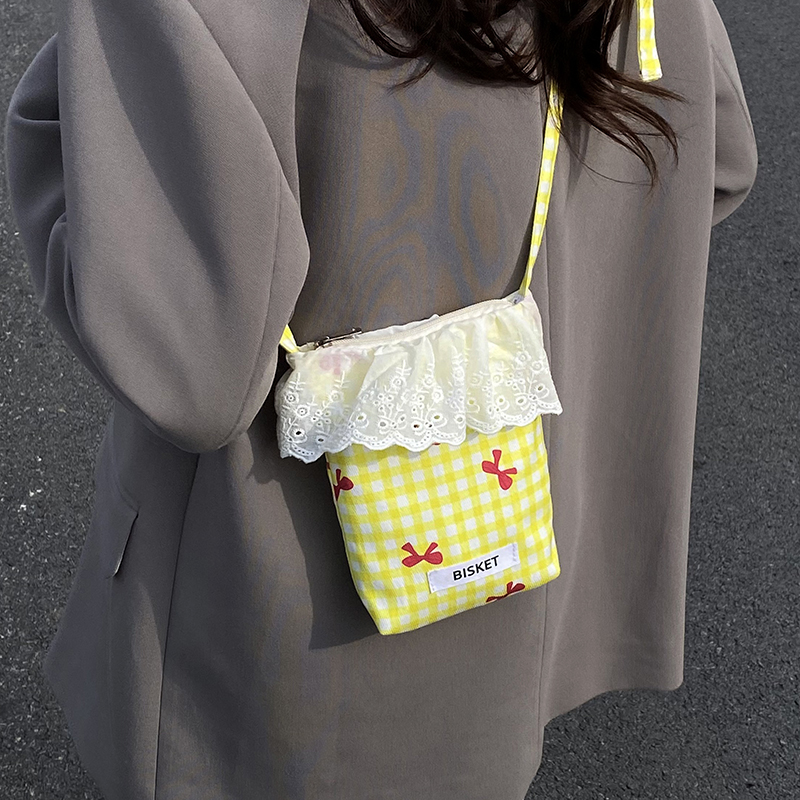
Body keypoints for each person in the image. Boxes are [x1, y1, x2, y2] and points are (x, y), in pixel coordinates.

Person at [4, 0, 757, 797]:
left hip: (265, 641)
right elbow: (719, 156)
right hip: (513, 598)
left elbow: (187, 369)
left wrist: (70, 124)